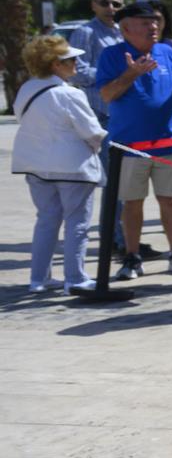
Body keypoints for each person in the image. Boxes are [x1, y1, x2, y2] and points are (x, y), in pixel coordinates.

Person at [97, 0, 172, 280]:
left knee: (169, 199)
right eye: (145, 22)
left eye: (154, 20)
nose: (153, 26)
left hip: (168, 143)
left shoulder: (167, 51)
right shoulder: (112, 55)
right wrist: (130, 74)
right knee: (132, 203)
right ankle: (132, 257)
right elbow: (106, 95)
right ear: (126, 28)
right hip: (129, 146)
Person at [11, 35, 105, 294]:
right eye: (71, 59)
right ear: (55, 64)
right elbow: (92, 132)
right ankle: (74, 278)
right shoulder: (70, 94)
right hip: (73, 167)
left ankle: (38, 279)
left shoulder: (27, 88)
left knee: (46, 221)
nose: (76, 63)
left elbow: (22, 118)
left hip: (34, 164)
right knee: (77, 223)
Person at [72, 0, 129, 253]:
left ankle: (125, 235)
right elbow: (77, 72)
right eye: (105, 3)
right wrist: (113, 74)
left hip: (126, 115)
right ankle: (116, 239)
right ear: (93, 5)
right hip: (103, 117)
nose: (111, 8)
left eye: (116, 4)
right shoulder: (85, 32)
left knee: (128, 180)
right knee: (114, 180)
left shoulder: (124, 32)